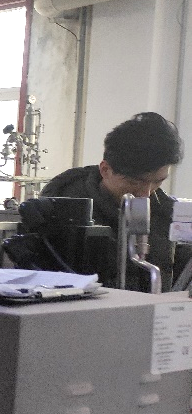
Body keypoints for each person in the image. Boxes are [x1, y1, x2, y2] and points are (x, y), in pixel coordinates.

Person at [41, 111, 188, 292]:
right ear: (105, 170)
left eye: (158, 182)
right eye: (134, 182)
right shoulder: (62, 213)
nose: (146, 193)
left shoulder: (165, 215)